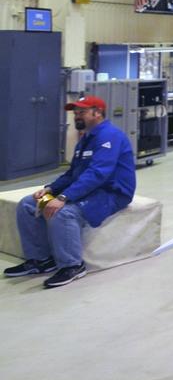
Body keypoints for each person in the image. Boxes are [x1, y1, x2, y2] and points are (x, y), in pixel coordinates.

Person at [4, 96, 137, 288]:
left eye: (82, 112)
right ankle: (41, 260)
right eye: (75, 113)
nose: (77, 116)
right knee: (28, 204)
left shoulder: (109, 136)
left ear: (97, 113)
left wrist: (64, 197)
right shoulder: (86, 139)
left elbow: (98, 174)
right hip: (89, 189)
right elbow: (72, 173)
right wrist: (50, 189)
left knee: (63, 212)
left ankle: (72, 265)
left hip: (111, 193)